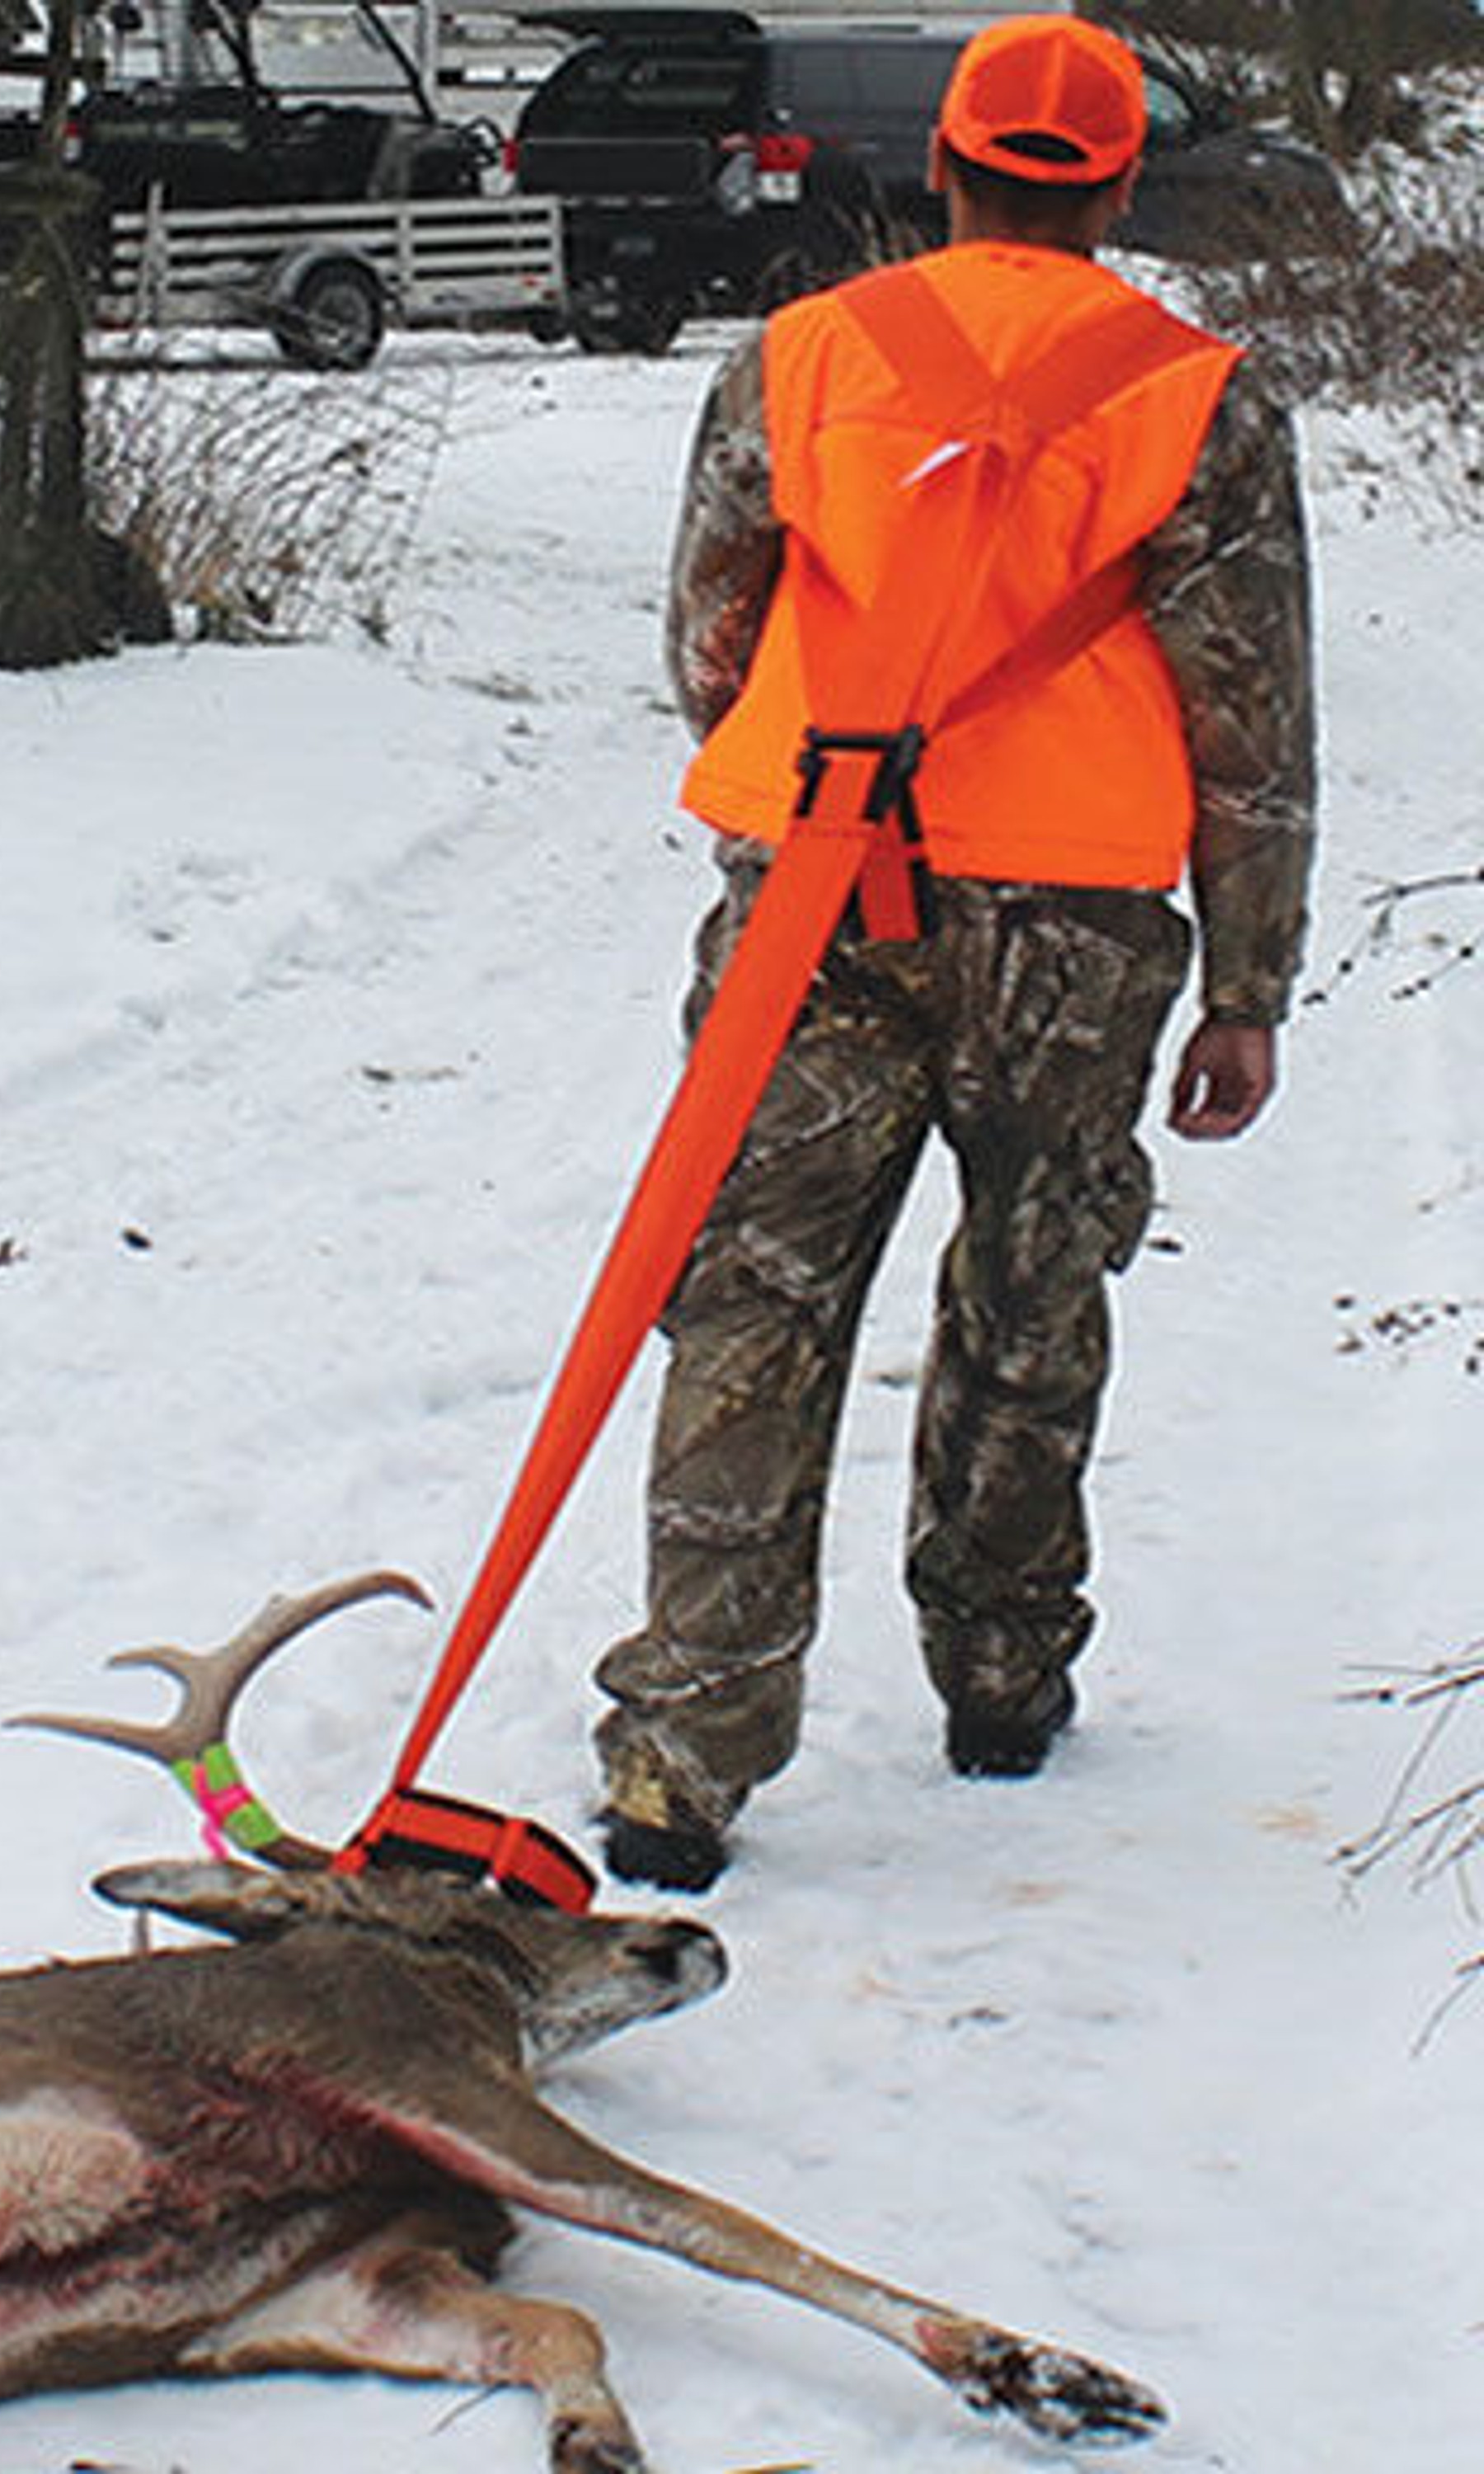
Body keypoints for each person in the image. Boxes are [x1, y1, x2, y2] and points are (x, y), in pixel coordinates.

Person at [594, 14, 1317, 1892]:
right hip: (1074, 925)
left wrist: (807, 792)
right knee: (1029, 1293)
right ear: (1121, 185)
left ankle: (686, 1745)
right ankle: (1000, 1677)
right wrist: (1248, 985)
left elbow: (708, 629)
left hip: (818, 894)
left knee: (752, 1298)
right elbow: (1253, 724)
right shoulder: (1202, 393)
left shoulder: (804, 354)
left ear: (946, 156)